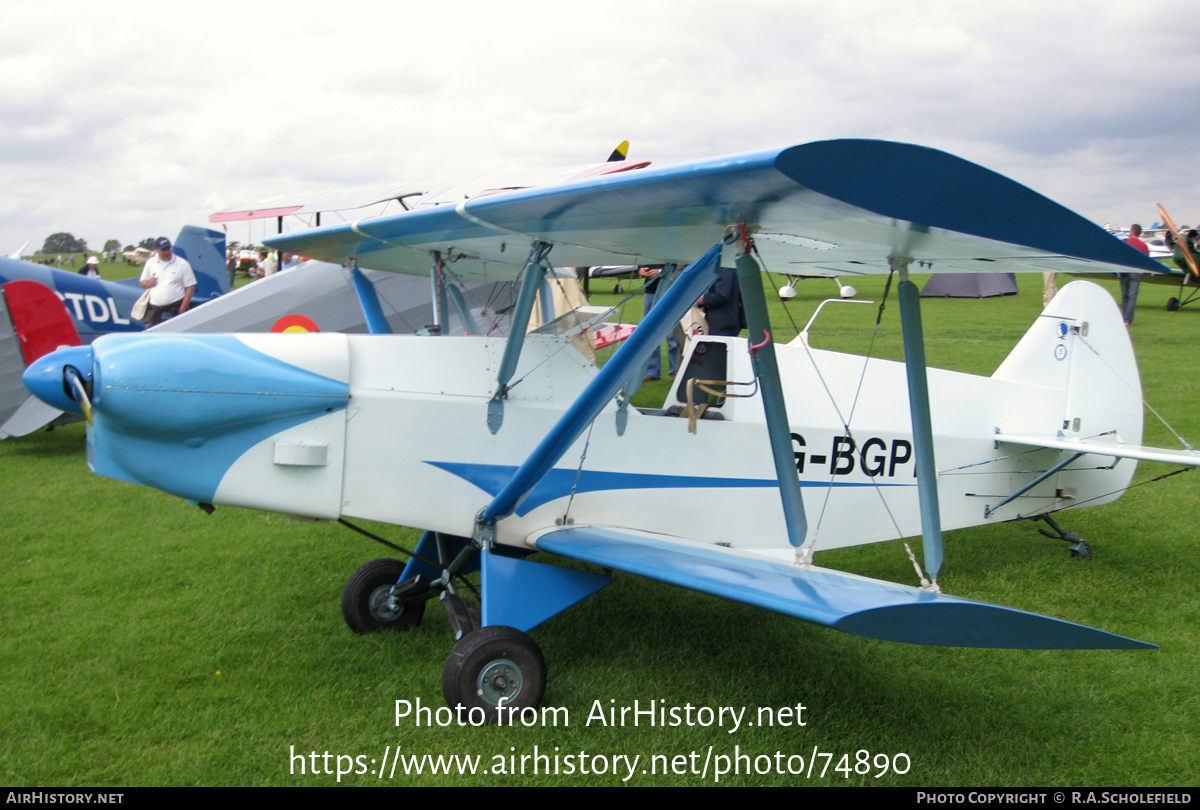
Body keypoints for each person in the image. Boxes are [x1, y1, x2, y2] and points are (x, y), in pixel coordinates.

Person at [139, 236, 196, 327]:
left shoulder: (183, 264)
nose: (166, 252)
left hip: (174, 308)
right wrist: (149, 283)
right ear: (156, 250)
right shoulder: (150, 263)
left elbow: (190, 287)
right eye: (163, 250)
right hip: (155, 310)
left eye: (168, 249)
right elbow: (142, 281)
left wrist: (182, 310)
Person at [639, 266, 680, 382]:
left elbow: (680, 264)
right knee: (649, 332)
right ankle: (652, 371)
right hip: (650, 290)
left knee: (672, 333)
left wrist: (661, 272)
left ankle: (675, 371)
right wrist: (640, 270)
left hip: (671, 289)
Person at [698, 265, 746, 337]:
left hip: (723, 321)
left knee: (717, 346)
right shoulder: (726, 264)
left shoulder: (725, 265)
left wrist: (703, 299)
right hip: (726, 320)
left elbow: (722, 294)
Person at [1121, 224, 1149, 326]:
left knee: (1124, 296)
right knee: (1132, 297)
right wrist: (1150, 271)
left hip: (1124, 271)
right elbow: (1146, 260)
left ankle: (1123, 318)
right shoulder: (1143, 245)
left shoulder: (1125, 243)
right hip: (1136, 273)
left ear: (1132, 231)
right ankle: (1128, 320)